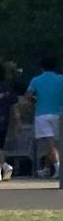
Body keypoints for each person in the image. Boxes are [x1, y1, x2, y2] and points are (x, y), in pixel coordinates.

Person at [30, 53, 63, 183]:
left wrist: (35, 100)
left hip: (42, 113)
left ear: (42, 67)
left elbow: (28, 95)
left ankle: (58, 167)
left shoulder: (36, 80)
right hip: (59, 112)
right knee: (58, 143)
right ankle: (49, 167)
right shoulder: (61, 78)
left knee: (49, 143)